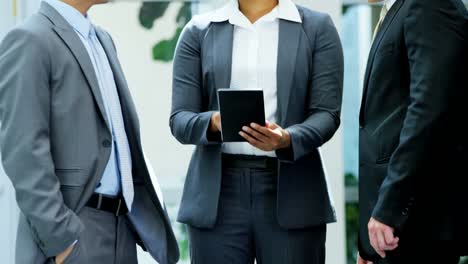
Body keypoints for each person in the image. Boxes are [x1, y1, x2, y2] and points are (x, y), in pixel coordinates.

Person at [0, 0, 179, 263]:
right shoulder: (31, 39)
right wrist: (62, 239)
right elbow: (24, 152)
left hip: (122, 227)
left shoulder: (102, 39)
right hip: (76, 229)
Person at [170, 0, 344, 263]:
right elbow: (180, 119)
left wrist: (286, 139)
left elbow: (327, 114)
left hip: (292, 190)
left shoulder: (316, 28)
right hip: (217, 196)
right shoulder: (198, 31)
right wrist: (216, 122)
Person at [358, 0, 468, 263]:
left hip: (417, 219)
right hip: (391, 228)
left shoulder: (430, 4)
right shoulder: (397, 11)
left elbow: (429, 111)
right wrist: (366, 242)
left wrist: (389, 208)